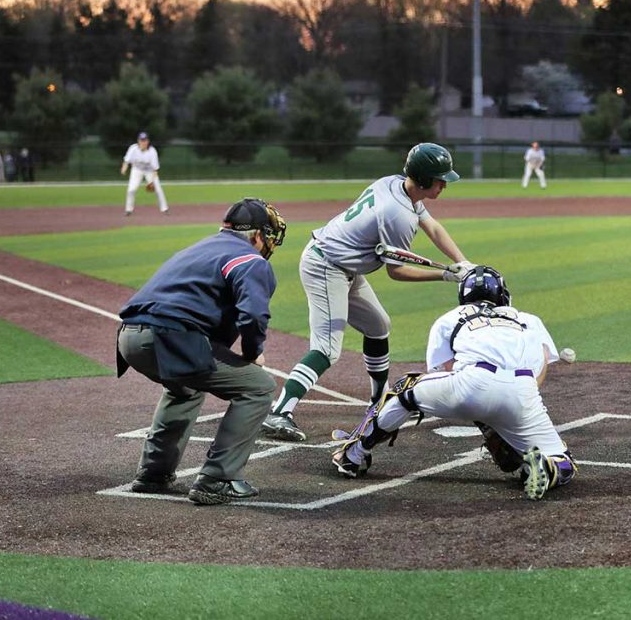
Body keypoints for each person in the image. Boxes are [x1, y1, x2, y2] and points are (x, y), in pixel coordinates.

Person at [261, 142, 477, 443]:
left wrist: (462, 262)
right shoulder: (396, 215)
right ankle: (280, 412)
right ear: (424, 179)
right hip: (326, 265)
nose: (444, 184)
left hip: (346, 265)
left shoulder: (395, 184)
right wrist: (443, 275)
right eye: (440, 179)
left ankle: (379, 401)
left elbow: (433, 226)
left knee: (378, 326)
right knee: (326, 348)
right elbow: (396, 271)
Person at [331, 266, 578, 501]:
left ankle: (353, 454)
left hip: (472, 384)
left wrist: (483, 416)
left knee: (406, 389)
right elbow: (540, 367)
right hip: (524, 392)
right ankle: (547, 467)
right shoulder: (529, 319)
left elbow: (443, 372)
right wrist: (504, 421)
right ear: (503, 294)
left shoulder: (451, 317)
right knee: (564, 459)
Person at [116, 198, 287, 505]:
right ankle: (218, 479)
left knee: (185, 388)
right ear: (257, 236)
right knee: (259, 387)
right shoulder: (251, 260)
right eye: (268, 235)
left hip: (128, 338)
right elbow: (253, 316)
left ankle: (153, 474)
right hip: (170, 337)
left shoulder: (199, 248)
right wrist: (252, 353)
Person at [121, 131, 169, 215]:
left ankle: (164, 209)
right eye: (141, 140)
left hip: (149, 171)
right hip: (137, 169)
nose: (143, 142)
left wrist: (151, 182)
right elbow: (126, 160)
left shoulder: (152, 151)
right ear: (138, 141)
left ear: (148, 141)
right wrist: (124, 169)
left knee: (158, 189)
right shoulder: (133, 149)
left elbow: (155, 169)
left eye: (145, 140)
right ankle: (128, 210)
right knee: (131, 190)